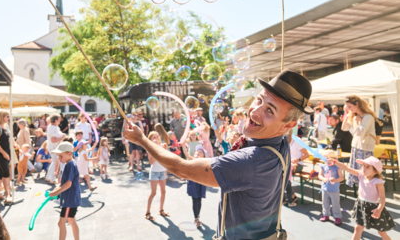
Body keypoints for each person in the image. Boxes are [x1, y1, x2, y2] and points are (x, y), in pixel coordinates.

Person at [124, 69, 312, 239]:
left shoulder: (252, 161)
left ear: (288, 126)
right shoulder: (281, 143)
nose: (255, 111)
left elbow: (180, 169)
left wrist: (142, 140)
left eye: (270, 110)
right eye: (260, 100)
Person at [330, 156, 395, 239]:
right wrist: (335, 162)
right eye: (363, 165)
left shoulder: (378, 182)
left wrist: (379, 210)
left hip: (373, 208)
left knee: (381, 232)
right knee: (358, 228)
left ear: (375, 171)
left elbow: (382, 197)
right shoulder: (361, 175)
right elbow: (346, 168)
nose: (364, 168)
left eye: (368, 167)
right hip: (361, 205)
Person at [342, 95, 380, 187]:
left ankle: (368, 194)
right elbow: (344, 128)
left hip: (365, 147)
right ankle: (361, 194)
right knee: (357, 173)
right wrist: (347, 116)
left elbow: (360, 132)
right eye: (348, 107)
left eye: (350, 107)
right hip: (356, 146)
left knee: (366, 174)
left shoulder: (368, 117)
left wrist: (355, 121)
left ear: (357, 104)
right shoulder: (355, 116)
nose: (349, 109)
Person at [49, 142, 81, 240]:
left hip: (69, 201)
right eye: (58, 156)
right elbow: (65, 182)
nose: (59, 158)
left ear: (69, 154)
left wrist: (56, 192)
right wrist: (58, 187)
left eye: (61, 156)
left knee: (61, 223)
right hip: (70, 199)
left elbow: (68, 184)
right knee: (71, 221)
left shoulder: (70, 164)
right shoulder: (69, 164)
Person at [182, 144, 207, 227]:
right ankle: (196, 218)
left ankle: (198, 215)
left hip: (201, 183)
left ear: (204, 155)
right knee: (195, 200)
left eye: (201, 152)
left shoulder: (205, 162)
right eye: (197, 152)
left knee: (199, 200)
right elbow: (186, 154)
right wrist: (183, 144)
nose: (198, 153)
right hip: (193, 183)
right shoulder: (192, 160)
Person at [145, 132, 169, 221]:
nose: (156, 138)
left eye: (157, 136)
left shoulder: (163, 146)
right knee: (153, 193)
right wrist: (156, 150)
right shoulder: (150, 149)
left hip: (162, 172)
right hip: (154, 172)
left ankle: (161, 210)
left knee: (163, 192)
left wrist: (166, 172)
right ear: (150, 140)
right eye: (153, 137)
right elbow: (151, 162)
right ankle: (148, 212)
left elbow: (166, 160)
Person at [318, 151, 343, 225]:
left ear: (334, 159)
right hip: (325, 189)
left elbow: (341, 178)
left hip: (334, 189)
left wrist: (335, 180)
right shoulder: (323, 166)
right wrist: (323, 179)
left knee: (335, 204)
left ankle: (337, 217)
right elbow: (320, 175)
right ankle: (326, 215)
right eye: (326, 159)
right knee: (325, 203)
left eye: (330, 159)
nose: (328, 161)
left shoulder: (337, 167)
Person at [284, 130, 309, 207]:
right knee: (283, 174)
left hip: (297, 165)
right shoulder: (285, 140)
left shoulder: (297, 141)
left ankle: (290, 197)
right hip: (289, 164)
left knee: (284, 174)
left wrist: (298, 160)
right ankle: (291, 196)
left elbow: (306, 155)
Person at [0, 111, 12, 203]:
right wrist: (4, 153)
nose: (8, 118)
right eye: (7, 116)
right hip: (1, 153)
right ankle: (7, 193)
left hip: (6, 152)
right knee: (6, 172)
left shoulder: (6, 127)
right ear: (2, 117)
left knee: (1, 172)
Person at [46, 114, 67, 184]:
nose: (60, 121)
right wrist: (62, 138)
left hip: (53, 147)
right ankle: (52, 179)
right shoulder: (53, 128)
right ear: (55, 120)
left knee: (54, 162)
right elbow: (53, 139)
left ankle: (48, 177)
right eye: (59, 120)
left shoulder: (53, 127)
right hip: (54, 147)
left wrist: (62, 136)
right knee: (55, 162)